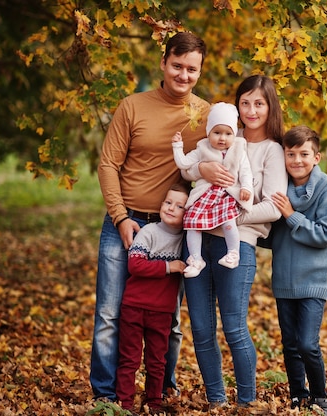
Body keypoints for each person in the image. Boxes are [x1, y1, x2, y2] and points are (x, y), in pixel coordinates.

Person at [91, 31, 210, 402]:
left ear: (200, 71)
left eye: (192, 69)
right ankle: (106, 397)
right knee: (110, 315)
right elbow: (108, 164)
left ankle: (161, 390)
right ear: (163, 63)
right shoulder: (132, 106)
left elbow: (231, 153)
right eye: (177, 66)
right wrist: (120, 216)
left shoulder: (205, 115)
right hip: (123, 223)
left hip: (173, 232)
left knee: (169, 322)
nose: (184, 75)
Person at [181, 75, 288, 410]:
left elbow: (272, 206)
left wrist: (227, 217)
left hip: (236, 244)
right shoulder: (225, 135)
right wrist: (202, 167)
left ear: (270, 106)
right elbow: (188, 171)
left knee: (234, 327)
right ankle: (216, 400)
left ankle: (246, 402)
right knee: (200, 328)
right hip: (198, 244)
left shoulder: (273, 150)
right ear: (237, 106)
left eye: (259, 103)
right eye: (245, 103)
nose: (251, 110)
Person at [269, 125, 327, 416]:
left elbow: (326, 235)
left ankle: (319, 396)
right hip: (285, 279)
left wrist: (291, 215)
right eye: (291, 154)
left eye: (304, 154)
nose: (297, 160)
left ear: (317, 157)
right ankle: (298, 396)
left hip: (315, 279)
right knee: (290, 345)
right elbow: (270, 234)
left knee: (307, 343)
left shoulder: (326, 189)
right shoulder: (278, 188)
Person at [116, 183, 189, 415]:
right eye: (168, 202)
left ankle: (154, 404)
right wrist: (169, 267)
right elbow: (135, 264)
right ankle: (124, 404)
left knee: (157, 361)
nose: (171, 208)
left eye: (179, 206)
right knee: (129, 359)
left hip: (162, 312)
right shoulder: (149, 232)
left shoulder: (188, 240)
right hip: (134, 307)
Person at [172, 102, 253, 278]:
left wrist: (246, 187)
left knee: (228, 220)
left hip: (226, 194)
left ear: (234, 133)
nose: (222, 138)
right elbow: (183, 163)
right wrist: (177, 147)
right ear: (209, 132)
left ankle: (233, 253)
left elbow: (245, 171)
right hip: (205, 195)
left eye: (228, 133)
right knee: (192, 222)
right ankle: (196, 259)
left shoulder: (239, 148)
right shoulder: (202, 148)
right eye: (217, 133)